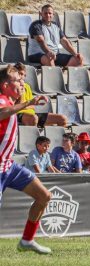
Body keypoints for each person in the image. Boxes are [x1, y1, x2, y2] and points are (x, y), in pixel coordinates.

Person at [0, 65, 56, 253]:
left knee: (44, 196)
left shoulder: (10, 101)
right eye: (18, 80)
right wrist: (27, 103)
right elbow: (2, 113)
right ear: (6, 85)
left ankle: (26, 240)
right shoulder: (1, 100)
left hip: (9, 167)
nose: (22, 84)